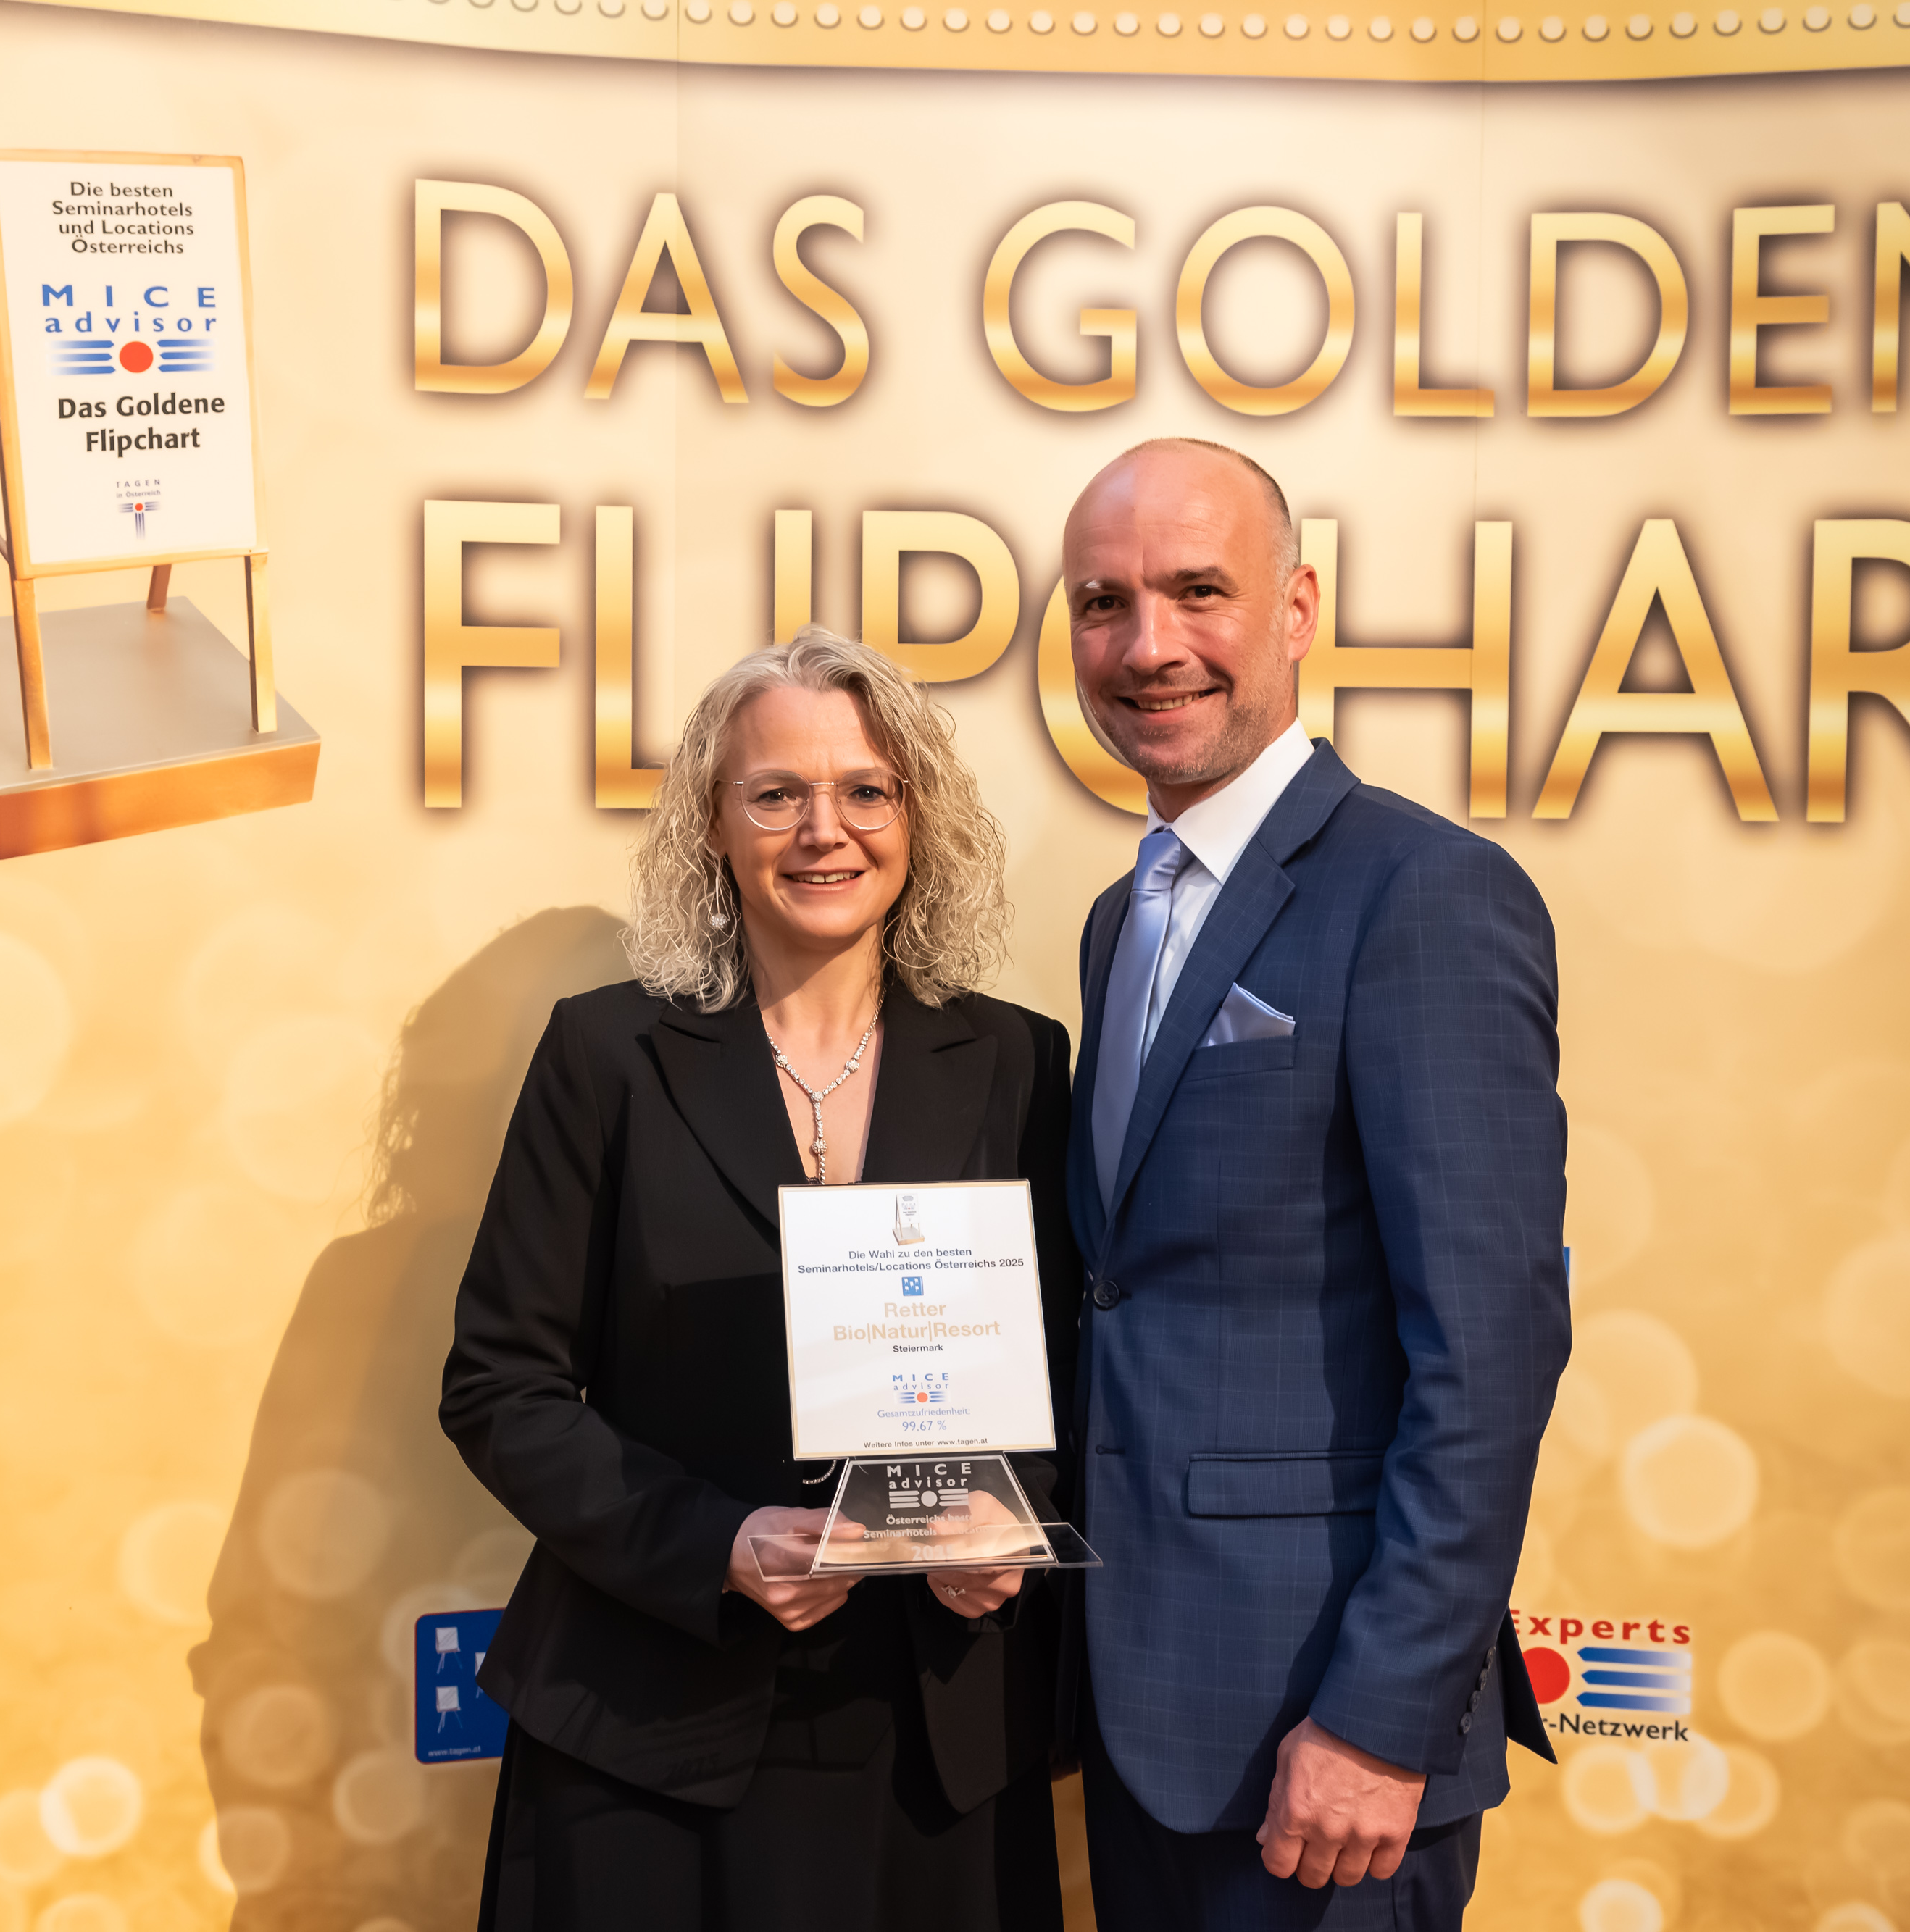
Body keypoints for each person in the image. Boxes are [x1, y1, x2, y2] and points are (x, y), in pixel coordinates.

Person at [438, 628, 1078, 1931]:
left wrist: (1008, 1528)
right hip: (651, 1725)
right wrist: (714, 1545)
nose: (823, 831)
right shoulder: (607, 1055)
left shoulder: (1019, 1062)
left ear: (917, 818)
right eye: (776, 793)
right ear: (713, 826)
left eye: (866, 791)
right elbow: (501, 1386)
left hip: (934, 1738)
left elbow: (1070, 1370)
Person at [1058, 440, 1569, 1929]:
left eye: (1197, 591)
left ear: (1295, 608)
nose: (1147, 646)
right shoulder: (1120, 920)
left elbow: (1489, 1348)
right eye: (1104, 603)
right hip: (1140, 1715)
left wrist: (1379, 1715)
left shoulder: (1423, 892)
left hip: (1328, 1746)